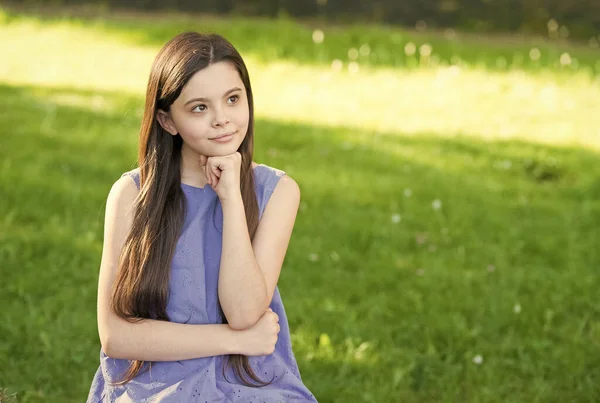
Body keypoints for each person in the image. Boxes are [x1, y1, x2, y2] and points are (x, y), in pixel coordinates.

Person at [87, 31, 318, 402]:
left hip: (249, 381)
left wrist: (231, 199)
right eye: (199, 108)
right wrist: (236, 339)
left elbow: (244, 310)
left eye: (232, 99)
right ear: (167, 120)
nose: (222, 120)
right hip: (156, 385)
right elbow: (117, 336)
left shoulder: (277, 191)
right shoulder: (131, 195)